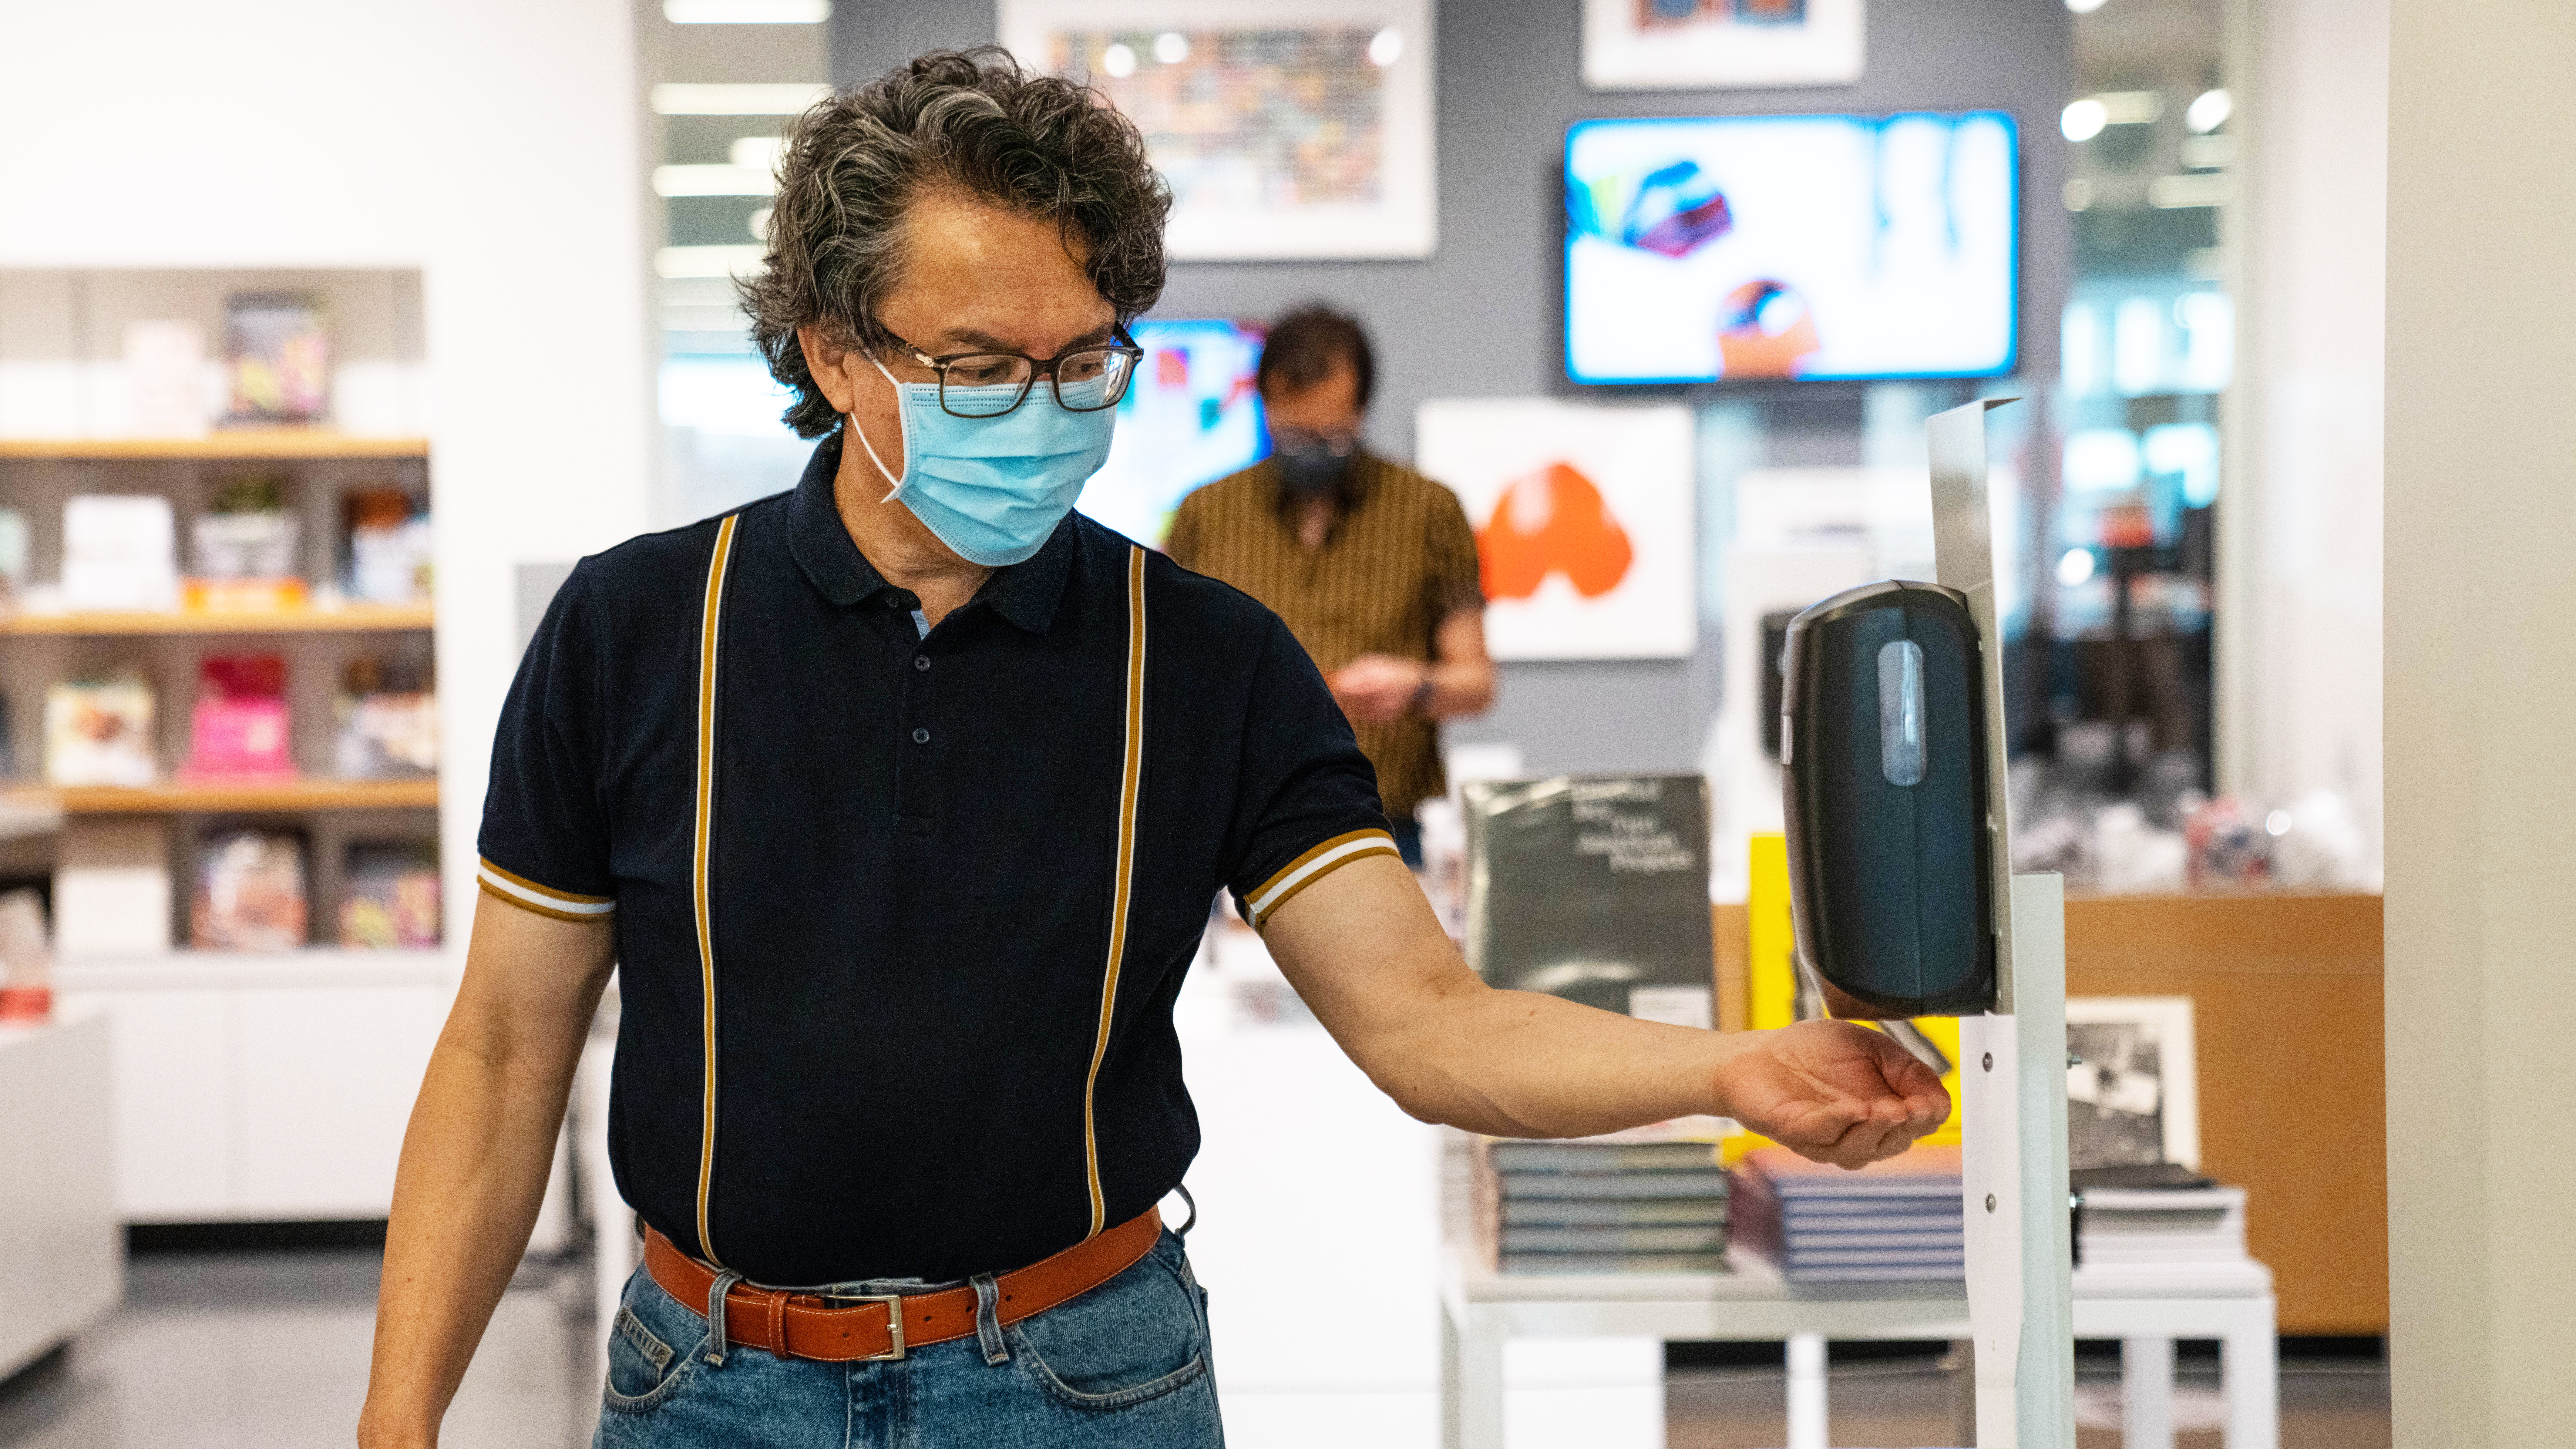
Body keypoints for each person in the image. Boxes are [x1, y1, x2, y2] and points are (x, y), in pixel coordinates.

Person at [357, 50, 1947, 1449]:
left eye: (1085, 363)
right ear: (834, 353)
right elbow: (504, 1052)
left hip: (1078, 1383)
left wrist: (1728, 1066)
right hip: (706, 1384)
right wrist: (399, 1408)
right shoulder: (637, 629)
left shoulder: (1203, 658)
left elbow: (1422, 1018)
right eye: (978, 367)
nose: (1039, 412)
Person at [1164, 307, 1491, 865]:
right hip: (1232, 831)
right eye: (1291, 434)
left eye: (1329, 435)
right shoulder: (1207, 514)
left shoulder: (1427, 511)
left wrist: (1414, 686)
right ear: (1265, 405)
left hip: (1383, 830)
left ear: (1362, 412)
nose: (1309, 451)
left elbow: (1477, 682)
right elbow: (1165, 672)